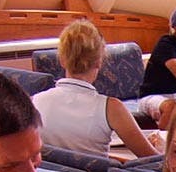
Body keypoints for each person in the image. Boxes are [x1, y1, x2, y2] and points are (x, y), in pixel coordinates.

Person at [32, 19, 159, 158]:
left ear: (62, 60)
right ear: (99, 61)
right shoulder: (111, 108)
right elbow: (150, 158)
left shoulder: (36, 102)